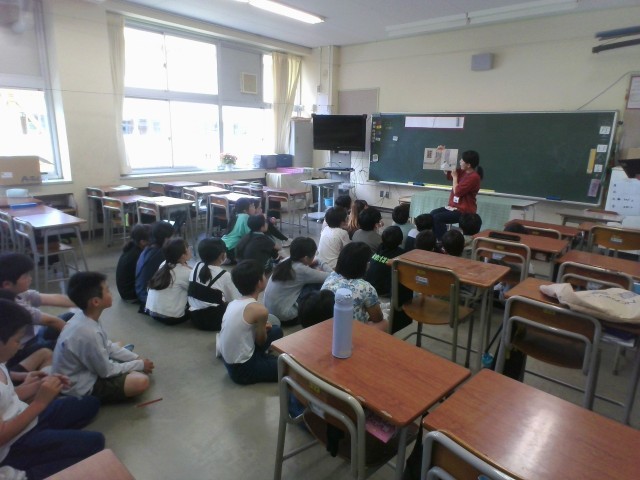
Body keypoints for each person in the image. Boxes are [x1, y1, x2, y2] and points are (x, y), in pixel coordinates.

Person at [0, 299, 105, 479]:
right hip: (14, 445)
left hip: (27, 417)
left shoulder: (1, 362)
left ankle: (50, 439)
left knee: (91, 404)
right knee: (96, 443)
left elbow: (8, 398)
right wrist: (40, 403)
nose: (22, 345)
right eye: (17, 340)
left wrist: (40, 386)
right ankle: (26, 473)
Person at [52, 272, 154, 402]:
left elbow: (107, 345)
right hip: (79, 387)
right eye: (107, 290)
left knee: (116, 346)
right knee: (141, 381)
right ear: (96, 302)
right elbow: (106, 372)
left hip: (82, 372)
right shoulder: (89, 333)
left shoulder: (83, 317)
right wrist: (139, 365)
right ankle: (120, 366)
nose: (111, 293)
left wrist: (136, 358)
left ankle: (119, 362)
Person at [218, 260, 284, 385]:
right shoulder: (260, 310)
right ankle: (262, 360)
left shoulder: (233, 303)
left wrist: (261, 328)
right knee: (287, 367)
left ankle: (263, 359)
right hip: (243, 370)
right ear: (259, 282)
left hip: (230, 361)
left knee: (276, 330)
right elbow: (261, 341)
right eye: (264, 275)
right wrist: (262, 329)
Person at [0, 253, 74, 363]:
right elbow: (52, 321)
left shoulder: (19, 293)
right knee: (64, 345)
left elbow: (53, 298)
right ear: (7, 284)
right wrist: (74, 338)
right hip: (21, 350)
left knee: (70, 317)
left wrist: (82, 302)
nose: (30, 279)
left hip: (36, 336)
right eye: (25, 276)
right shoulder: (9, 306)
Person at [264, 237, 332, 324]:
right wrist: (320, 261)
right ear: (305, 258)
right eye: (314, 255)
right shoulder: (302, 270)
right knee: (317, 285)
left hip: (270, 312)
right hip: (286, 317)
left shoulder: (286, 261)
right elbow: (331, 276)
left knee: (310, 278)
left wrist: (311, 264)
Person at [321, 242, 388, 331]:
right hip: (350, 333)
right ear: (366, 265)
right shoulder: (365, 287)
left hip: (326, 328)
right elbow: (377, 318)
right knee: (385, 321)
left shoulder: (331, 276)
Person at [188, 238, 241, 331]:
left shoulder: (196, 266)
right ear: (222, 255)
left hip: (194, 317)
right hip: (215, 321)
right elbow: (234, 299)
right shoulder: (224, 275)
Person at [430, 150, 483, 241]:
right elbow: (448, 170)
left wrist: (455, 177)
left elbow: (457, 191)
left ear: (468, 165)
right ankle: (437, 239)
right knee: (432, 214)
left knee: (437, 218)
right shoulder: (463, 171)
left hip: (464, 210)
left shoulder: (474, 177)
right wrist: (443, 153)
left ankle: (444, 242)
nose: (460, 161)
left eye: (462, 160)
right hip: (453, 207)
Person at [145, 238, 192, 325]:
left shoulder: (164, 263)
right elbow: (194, 291)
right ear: (182, 255)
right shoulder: (186, 272)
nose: (190, 249)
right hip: (170, 317)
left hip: (151, 311)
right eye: (188, 247)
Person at [135, 221, 175, 309]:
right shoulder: (160, 254)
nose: (173, 239)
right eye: (172, 237)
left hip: (140, 291)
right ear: (166, 239)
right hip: (147, 297)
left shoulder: (149, 248)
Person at [365, 226, 405, 297]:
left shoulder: (380, 248)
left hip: (370, 286)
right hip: (383, 291)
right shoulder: (401, 254)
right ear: (401, 241)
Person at [115, 223, 151, 301]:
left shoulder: (131, 248)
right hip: (131, 294)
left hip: (125, 292)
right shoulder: (139, 255)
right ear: (142, 242)